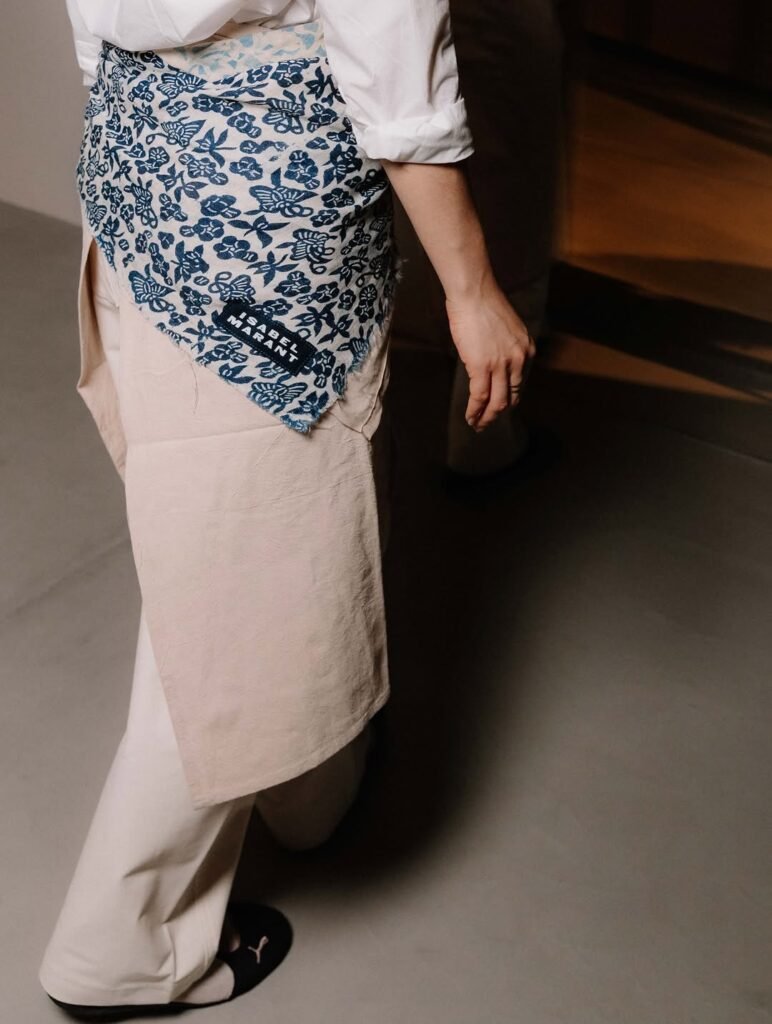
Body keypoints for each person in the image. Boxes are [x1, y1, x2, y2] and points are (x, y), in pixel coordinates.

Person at [40, 0, 535, 1018]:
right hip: (269, 262)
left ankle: (311, 793)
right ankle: (120, 948)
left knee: (245, 545)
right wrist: (472, 288)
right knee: (227, 596)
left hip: (141, 195)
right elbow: (395, 84)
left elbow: (99, 32)